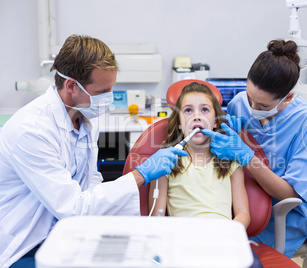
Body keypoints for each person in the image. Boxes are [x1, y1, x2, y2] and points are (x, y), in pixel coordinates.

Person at [0, 34, 187, 268]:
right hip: (26, 242)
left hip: (67, 231)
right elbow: (73, 207)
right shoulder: (31, 131)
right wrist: (141, 175)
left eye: (111, 89)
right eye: (101, 92)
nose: (108, 99)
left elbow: (90, 180)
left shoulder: (84, 114)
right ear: (71, 86)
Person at [202, 39, 307, 258]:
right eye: (250, 98)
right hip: (238, 202)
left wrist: (246, 156)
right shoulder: (238, 103)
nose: (252, 108)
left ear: (288, 97)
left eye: (264, 106)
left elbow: (290, 193)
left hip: (282, 218)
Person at [148, 82, 264, 268]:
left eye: (204, 110)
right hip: (184, 242)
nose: (196, 117)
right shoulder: (166, 162)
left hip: (224, 240)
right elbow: (157, 218)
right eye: (188, 111)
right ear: (178, 123)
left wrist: (227, 234)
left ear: (216, 121)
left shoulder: (231, 161)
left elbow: (243, 213)